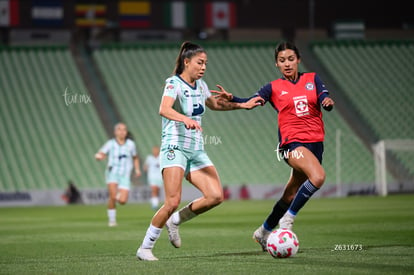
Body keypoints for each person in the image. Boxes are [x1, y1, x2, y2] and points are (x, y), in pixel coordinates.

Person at [136, 41, 262, 261]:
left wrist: (242, 104)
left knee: (215, 196)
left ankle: (175, 221)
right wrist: (185, 119)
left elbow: (215, 105)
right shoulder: (173, 83)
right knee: (172, 200)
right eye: (199, 62)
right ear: (187, 62)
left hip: (196, 150)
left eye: (206, 63)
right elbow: (163, 109)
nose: (204, 67)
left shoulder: (201, 85)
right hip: (175, 146)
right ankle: (145, 248)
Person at [214, 41, 335, 251]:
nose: (287, 63)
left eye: (290, 59)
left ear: (298, 60)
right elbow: (252, 100)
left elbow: (324, 96)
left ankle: (263, 231)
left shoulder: (312, 79)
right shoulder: (273, 87)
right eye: (282, 61)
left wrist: (327, 102)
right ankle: (288, 220)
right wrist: (234, 98)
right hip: (292, 143)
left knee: (290, 195)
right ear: (276, 65)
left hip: (316, 144)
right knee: (318, 177)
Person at [95, 122, 141, 227]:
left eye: (124, 129)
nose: (122, 132)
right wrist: (98, 156)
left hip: (125, 174)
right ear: (115, 132)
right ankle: (112, 220)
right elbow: (101, 153)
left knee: (123, 201)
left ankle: (118, 196)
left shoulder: (131, 144)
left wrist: (137, 169)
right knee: (112, 196)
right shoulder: (110, 143)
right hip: (112, 173)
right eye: (119, 129)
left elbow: (135, 157)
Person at [144, 145, 163, 210]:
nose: (155, 151)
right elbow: (145, 167)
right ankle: (154, 205)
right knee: (154, 190)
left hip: (159, 177)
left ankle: (155, 202)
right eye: (154, 150)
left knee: (157, 190)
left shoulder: (161, 157)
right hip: (152, 176)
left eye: (156, 150)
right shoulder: (149, 158)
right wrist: (146, 168)